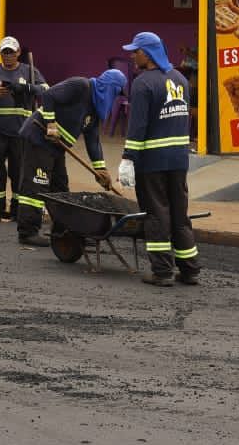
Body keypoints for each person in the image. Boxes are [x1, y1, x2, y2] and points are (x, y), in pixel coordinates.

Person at [117, 31, 199, 287]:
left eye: (136, 51)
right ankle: (189, 269)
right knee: (179, 213)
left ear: (148, 54)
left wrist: (128, 158)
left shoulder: (143, 83)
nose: (132, 56)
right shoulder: (180, 79)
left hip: (152, 161)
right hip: (178, 159)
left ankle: (162, 272)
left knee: (156, 214)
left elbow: (138, 126)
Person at [14, 68, 126, 247]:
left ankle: (62, 231)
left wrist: (100, 169)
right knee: (37, 184)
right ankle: (28, 232)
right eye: (116, 92)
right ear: (110, 86)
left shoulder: (96, 108)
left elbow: (93, 141)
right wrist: (51, 123)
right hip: (39, 137)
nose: (115, 97)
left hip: (57, 147)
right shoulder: (81, 85)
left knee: (61, 188)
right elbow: (48, 94)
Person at [0, 37, 47, 221]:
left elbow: (46, 91)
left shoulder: (29, 71)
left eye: (11, 52)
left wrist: (25, 88)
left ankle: (17, 210)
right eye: (4, 52)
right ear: (0, 54)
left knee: (20, 172)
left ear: (18, 53)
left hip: (21, 131)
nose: (7, 56)